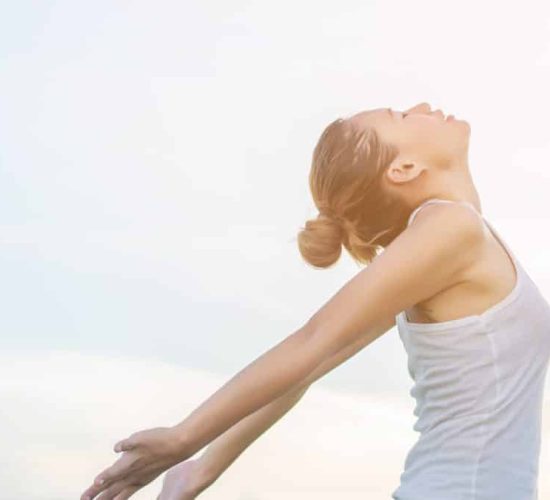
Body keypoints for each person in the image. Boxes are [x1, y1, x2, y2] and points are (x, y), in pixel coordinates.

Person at [80, 102, 550, 500]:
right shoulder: (452, 229)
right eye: (403, 115)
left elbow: (313, 364)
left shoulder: (448, 244)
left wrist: (204, 467)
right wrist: (186, 439)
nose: (424, 107)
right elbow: (315, 340)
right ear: (403, 169)